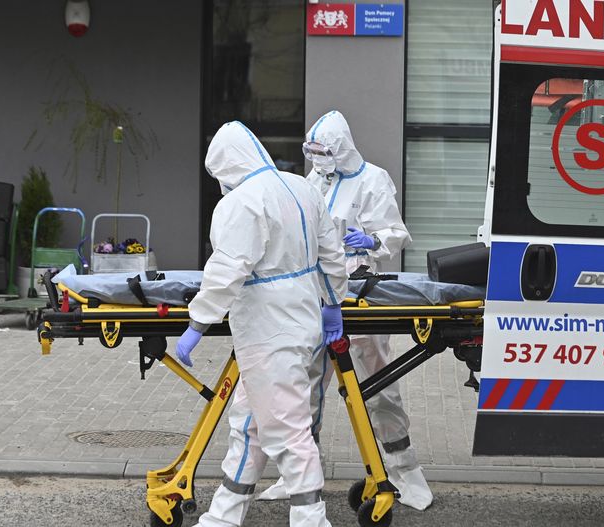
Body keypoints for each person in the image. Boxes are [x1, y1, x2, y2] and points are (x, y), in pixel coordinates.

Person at [175, 121, 348, 527]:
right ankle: (224, 515)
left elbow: (227, 269)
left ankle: (311, 518)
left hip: (267, 328)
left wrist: (198, 323)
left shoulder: (241, 203)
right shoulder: (302, 188)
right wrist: (332, 301)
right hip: (304, 316)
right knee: (249, 423)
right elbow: (331, 252)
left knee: (288, 429)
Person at [258, 110, 433, 511]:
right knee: (305, 386)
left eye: (323, 152)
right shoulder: (313, 181)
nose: (318, 160)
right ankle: (299, 473)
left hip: (359, 292)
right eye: (313, 153)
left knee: (379, 386)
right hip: (314, 291)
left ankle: (405, 472)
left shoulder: (373, 179)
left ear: (341, 149)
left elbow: (395, 233)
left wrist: (371, 241)